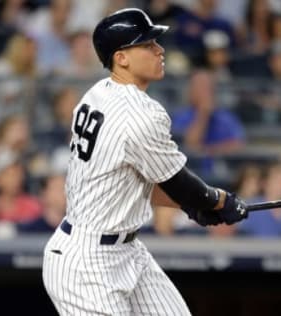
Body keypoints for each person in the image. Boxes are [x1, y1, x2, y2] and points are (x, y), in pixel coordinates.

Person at [41, 8, 248, 316]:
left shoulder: (96, 94)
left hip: (126, 250)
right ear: (121, 57)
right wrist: (218, 201)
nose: (159, 49)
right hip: (85, 265)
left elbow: (130, 179)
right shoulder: (140, 114)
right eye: (148, 44)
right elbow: (181, 184)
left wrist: (190, 206)